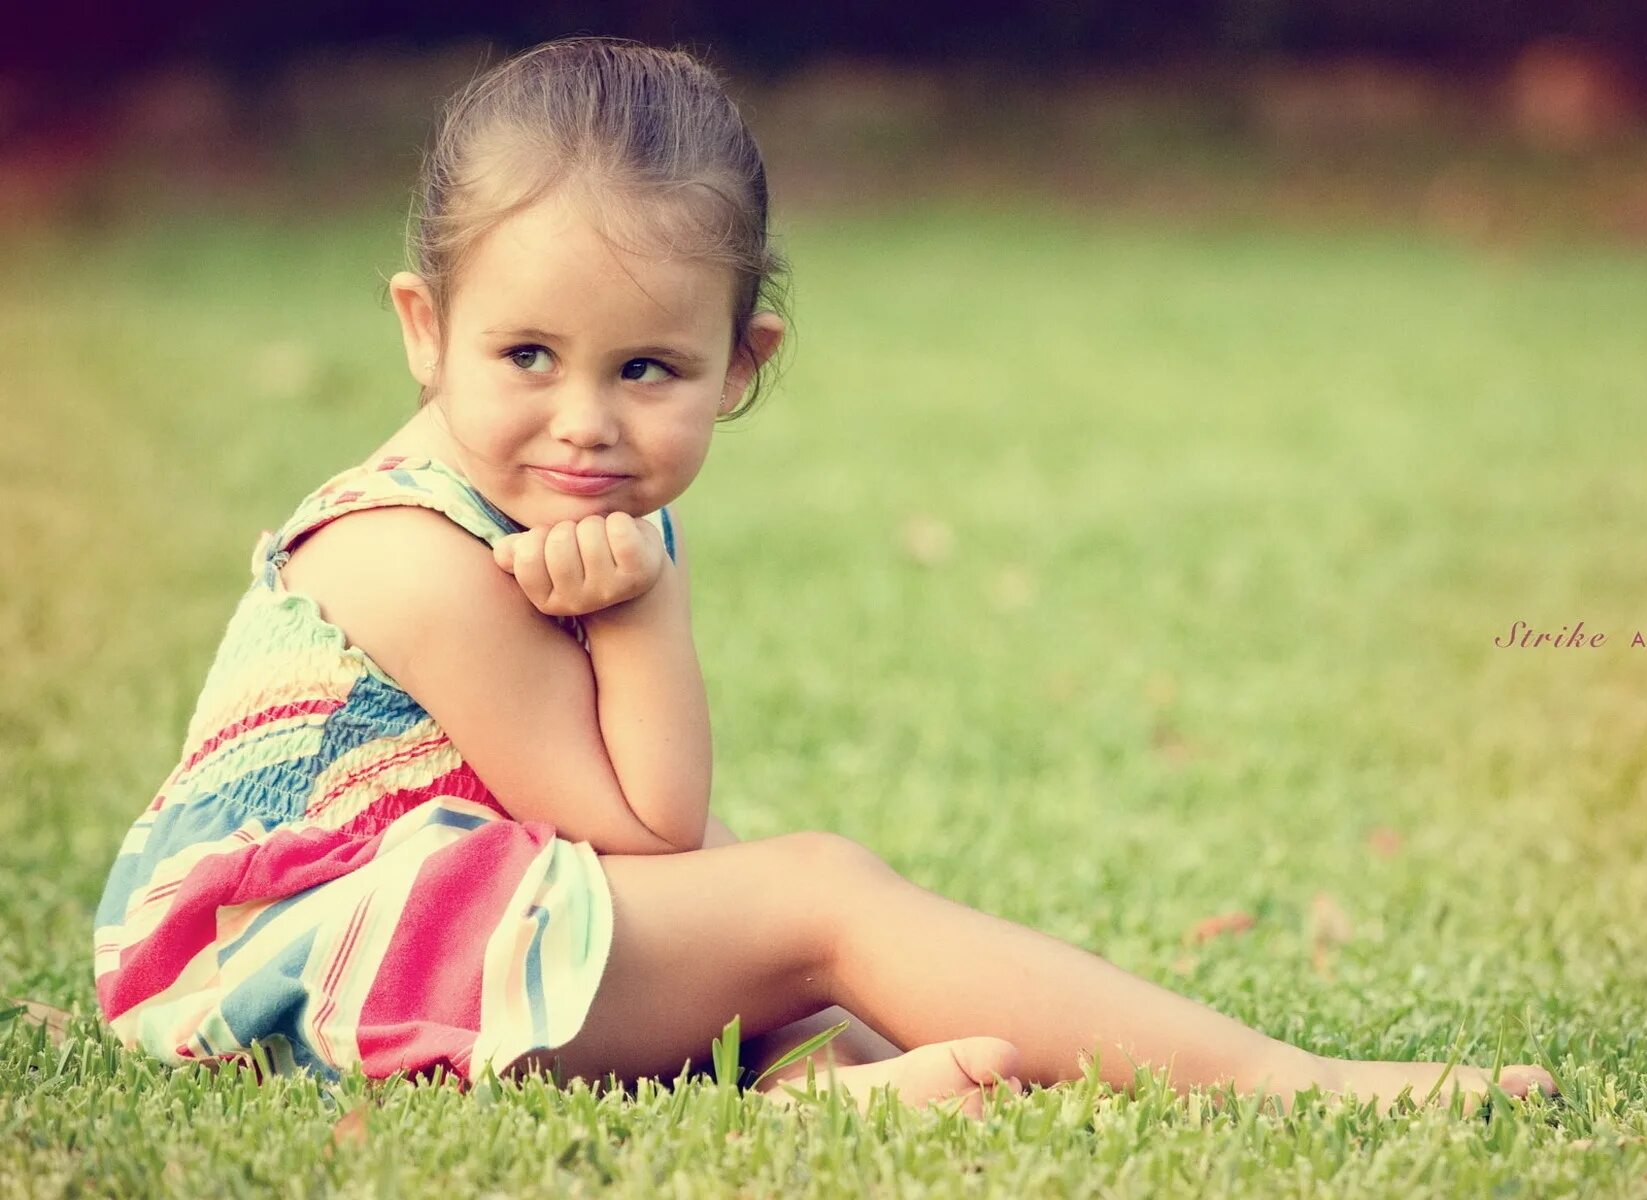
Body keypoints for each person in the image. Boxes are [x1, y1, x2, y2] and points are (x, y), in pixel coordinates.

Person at [91, 36, 1557, 1119]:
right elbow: (651, 831)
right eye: (526, 354)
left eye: (647, 367)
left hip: (461, 933)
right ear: (425, 327)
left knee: (803, 928)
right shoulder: (402, 554)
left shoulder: (538, 499)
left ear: (743, 367)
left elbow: (647, 856)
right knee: (821, 896)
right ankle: (1293, 1083)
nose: (585, 419)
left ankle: (819, 1092)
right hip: (305, 974)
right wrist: (649, 607)